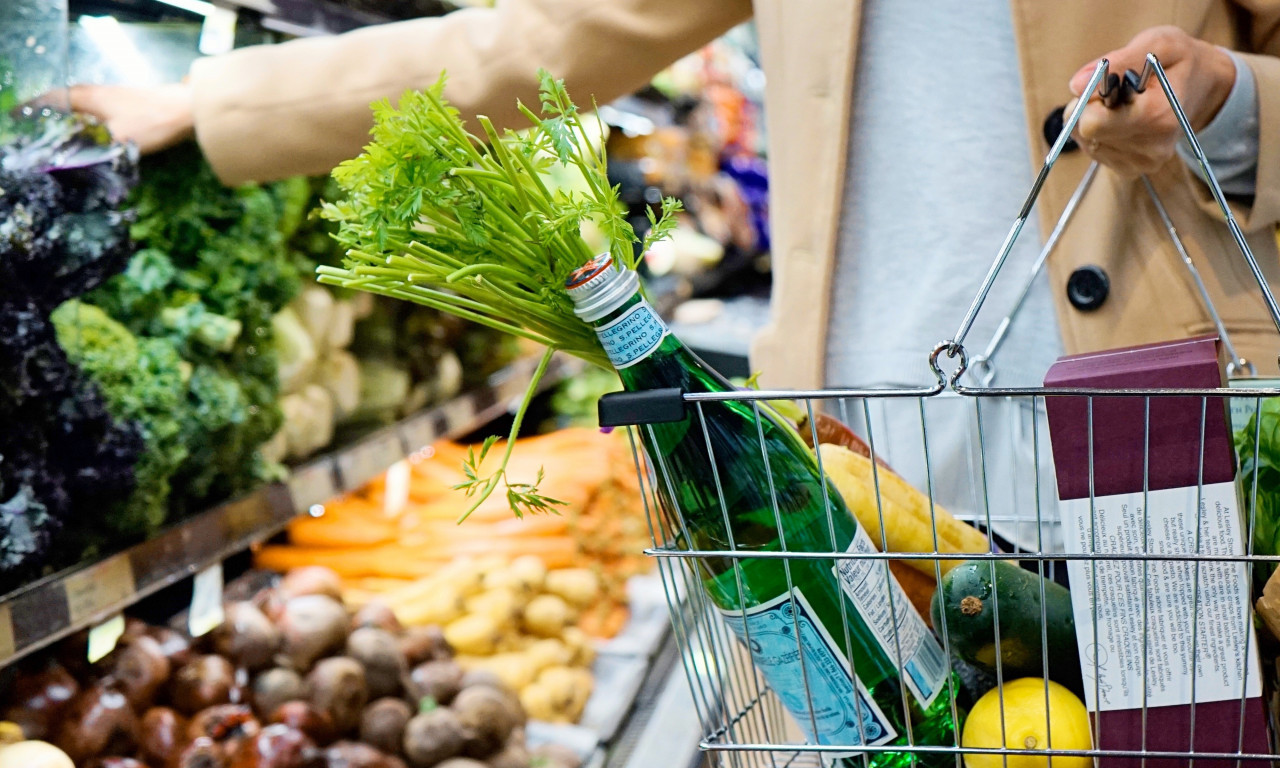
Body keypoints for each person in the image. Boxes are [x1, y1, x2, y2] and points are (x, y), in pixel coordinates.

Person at [63, 1, 1280, 550]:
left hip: (1166, 439)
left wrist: (1224, 111)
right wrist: (214, 104)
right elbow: (534, 40)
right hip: (859, 453)